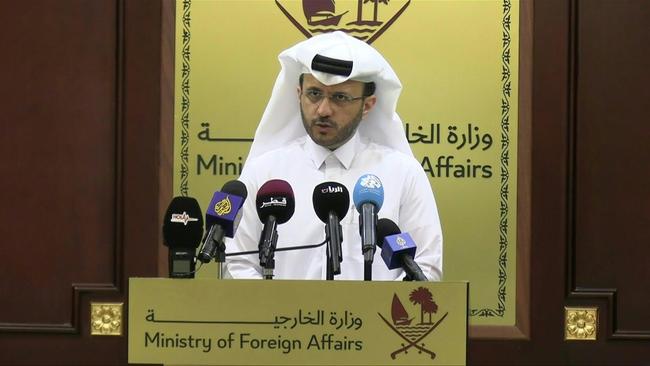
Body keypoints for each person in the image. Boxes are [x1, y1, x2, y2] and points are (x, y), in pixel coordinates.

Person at [225, 31, 442, 281]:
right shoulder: (264, 173)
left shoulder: (403, 173)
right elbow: (236, 262)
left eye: (340, 97)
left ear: (368, 105)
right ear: (298, 94)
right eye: (314, 94)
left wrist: (373, 314)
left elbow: (426, 265)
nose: (324, 110)